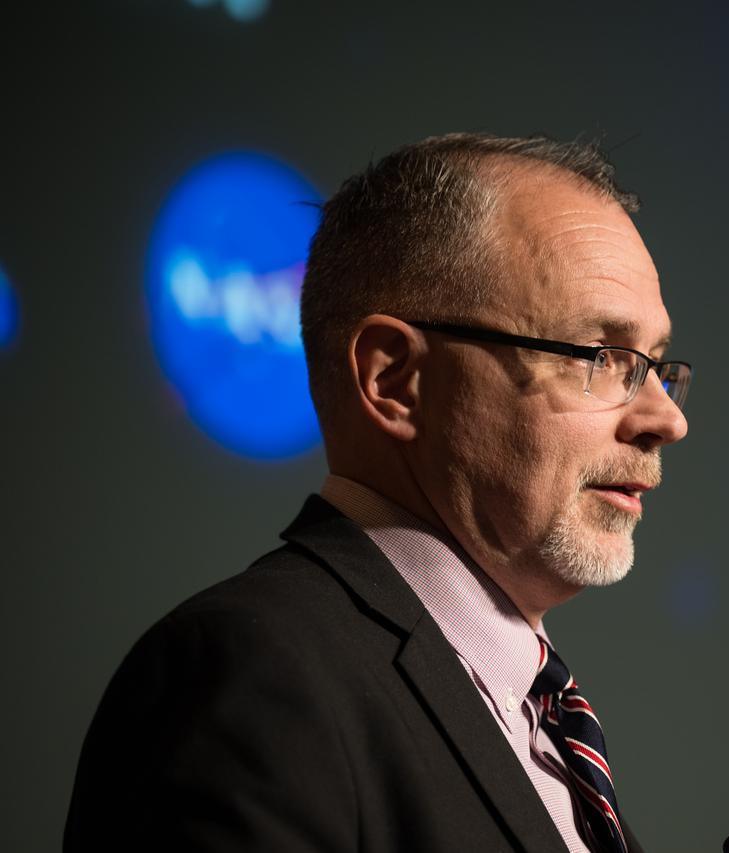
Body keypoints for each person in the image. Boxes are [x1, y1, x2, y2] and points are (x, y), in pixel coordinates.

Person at [63, 133, 692, 852]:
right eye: (603, 357)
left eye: (658, 364)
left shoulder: (546, 723)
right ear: (395, 381)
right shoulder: (249, 676)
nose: (666, 419)